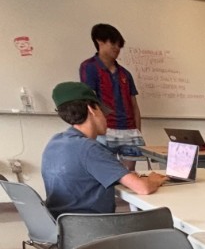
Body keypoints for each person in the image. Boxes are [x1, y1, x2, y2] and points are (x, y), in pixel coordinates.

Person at [41, 82, 165, 216]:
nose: (106, 118)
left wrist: (124, 176)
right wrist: (154, 180)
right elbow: (143, 188)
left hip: (61, 225)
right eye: (102, 111)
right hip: (93, 228)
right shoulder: (89, 148)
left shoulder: (55, 142)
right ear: (91, 110)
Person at [79, 24, 145, 171]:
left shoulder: (125, 74)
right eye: (113, 43)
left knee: (129, 176)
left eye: (119, 45)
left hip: (129, 130)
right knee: (107, 176)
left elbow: (134, 105)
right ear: (99, 41)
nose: (117, 48)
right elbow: (89, 100)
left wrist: (138, 131)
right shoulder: (89, 67)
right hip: (105, 131)